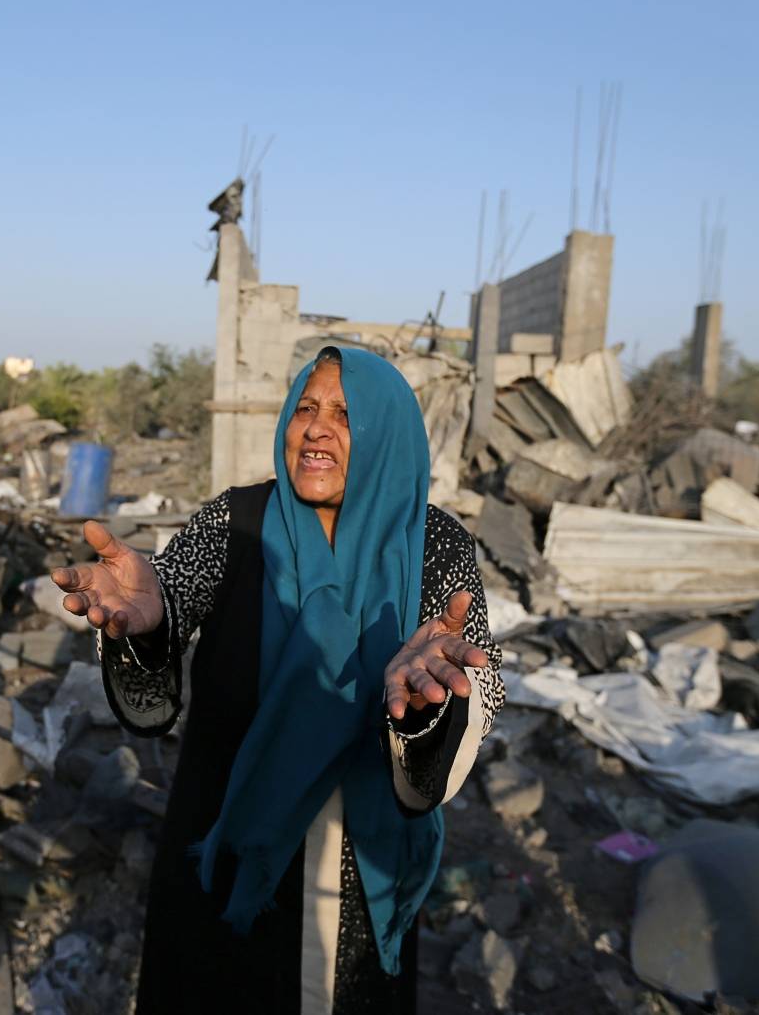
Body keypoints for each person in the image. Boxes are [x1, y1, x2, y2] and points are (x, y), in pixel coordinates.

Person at [50, 346, 504, 1014]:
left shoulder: (433, 545)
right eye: (306, 409)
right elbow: (154, 674)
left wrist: (421, 708)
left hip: (354, 870)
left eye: (346, 415)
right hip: (227, 848)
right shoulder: (234, 524)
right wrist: (148, 629)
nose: (316, 428)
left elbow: (475, 693)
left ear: (389, 433)